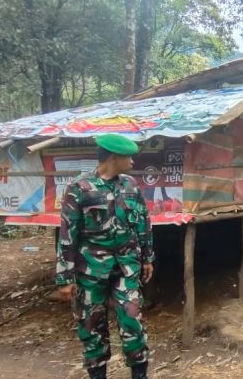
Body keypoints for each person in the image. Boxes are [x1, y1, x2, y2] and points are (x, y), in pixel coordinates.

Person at [56, 133, 154, 379]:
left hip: (126, 266)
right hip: (91, 270)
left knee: (132, 320)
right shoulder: (79, 188)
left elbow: (143, 222)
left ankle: (139, 374)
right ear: (113, 157)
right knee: (92, 326)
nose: (132, 161)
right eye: (127, 156)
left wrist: (148, 257)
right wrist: (64, 277)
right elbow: (68, 233)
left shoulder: (130, 185)